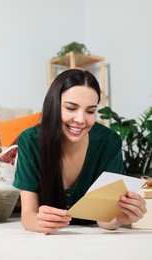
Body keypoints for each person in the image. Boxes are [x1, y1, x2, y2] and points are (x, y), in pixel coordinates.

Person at [13, 69, 146, 234]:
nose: (81, 120)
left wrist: (118, 218)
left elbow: (105, 218)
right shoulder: (29, 141)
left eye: (90, 111)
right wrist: (40, 222)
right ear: (53, 105)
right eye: (71, 108)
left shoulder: (109, 142)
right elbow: (28, 215)